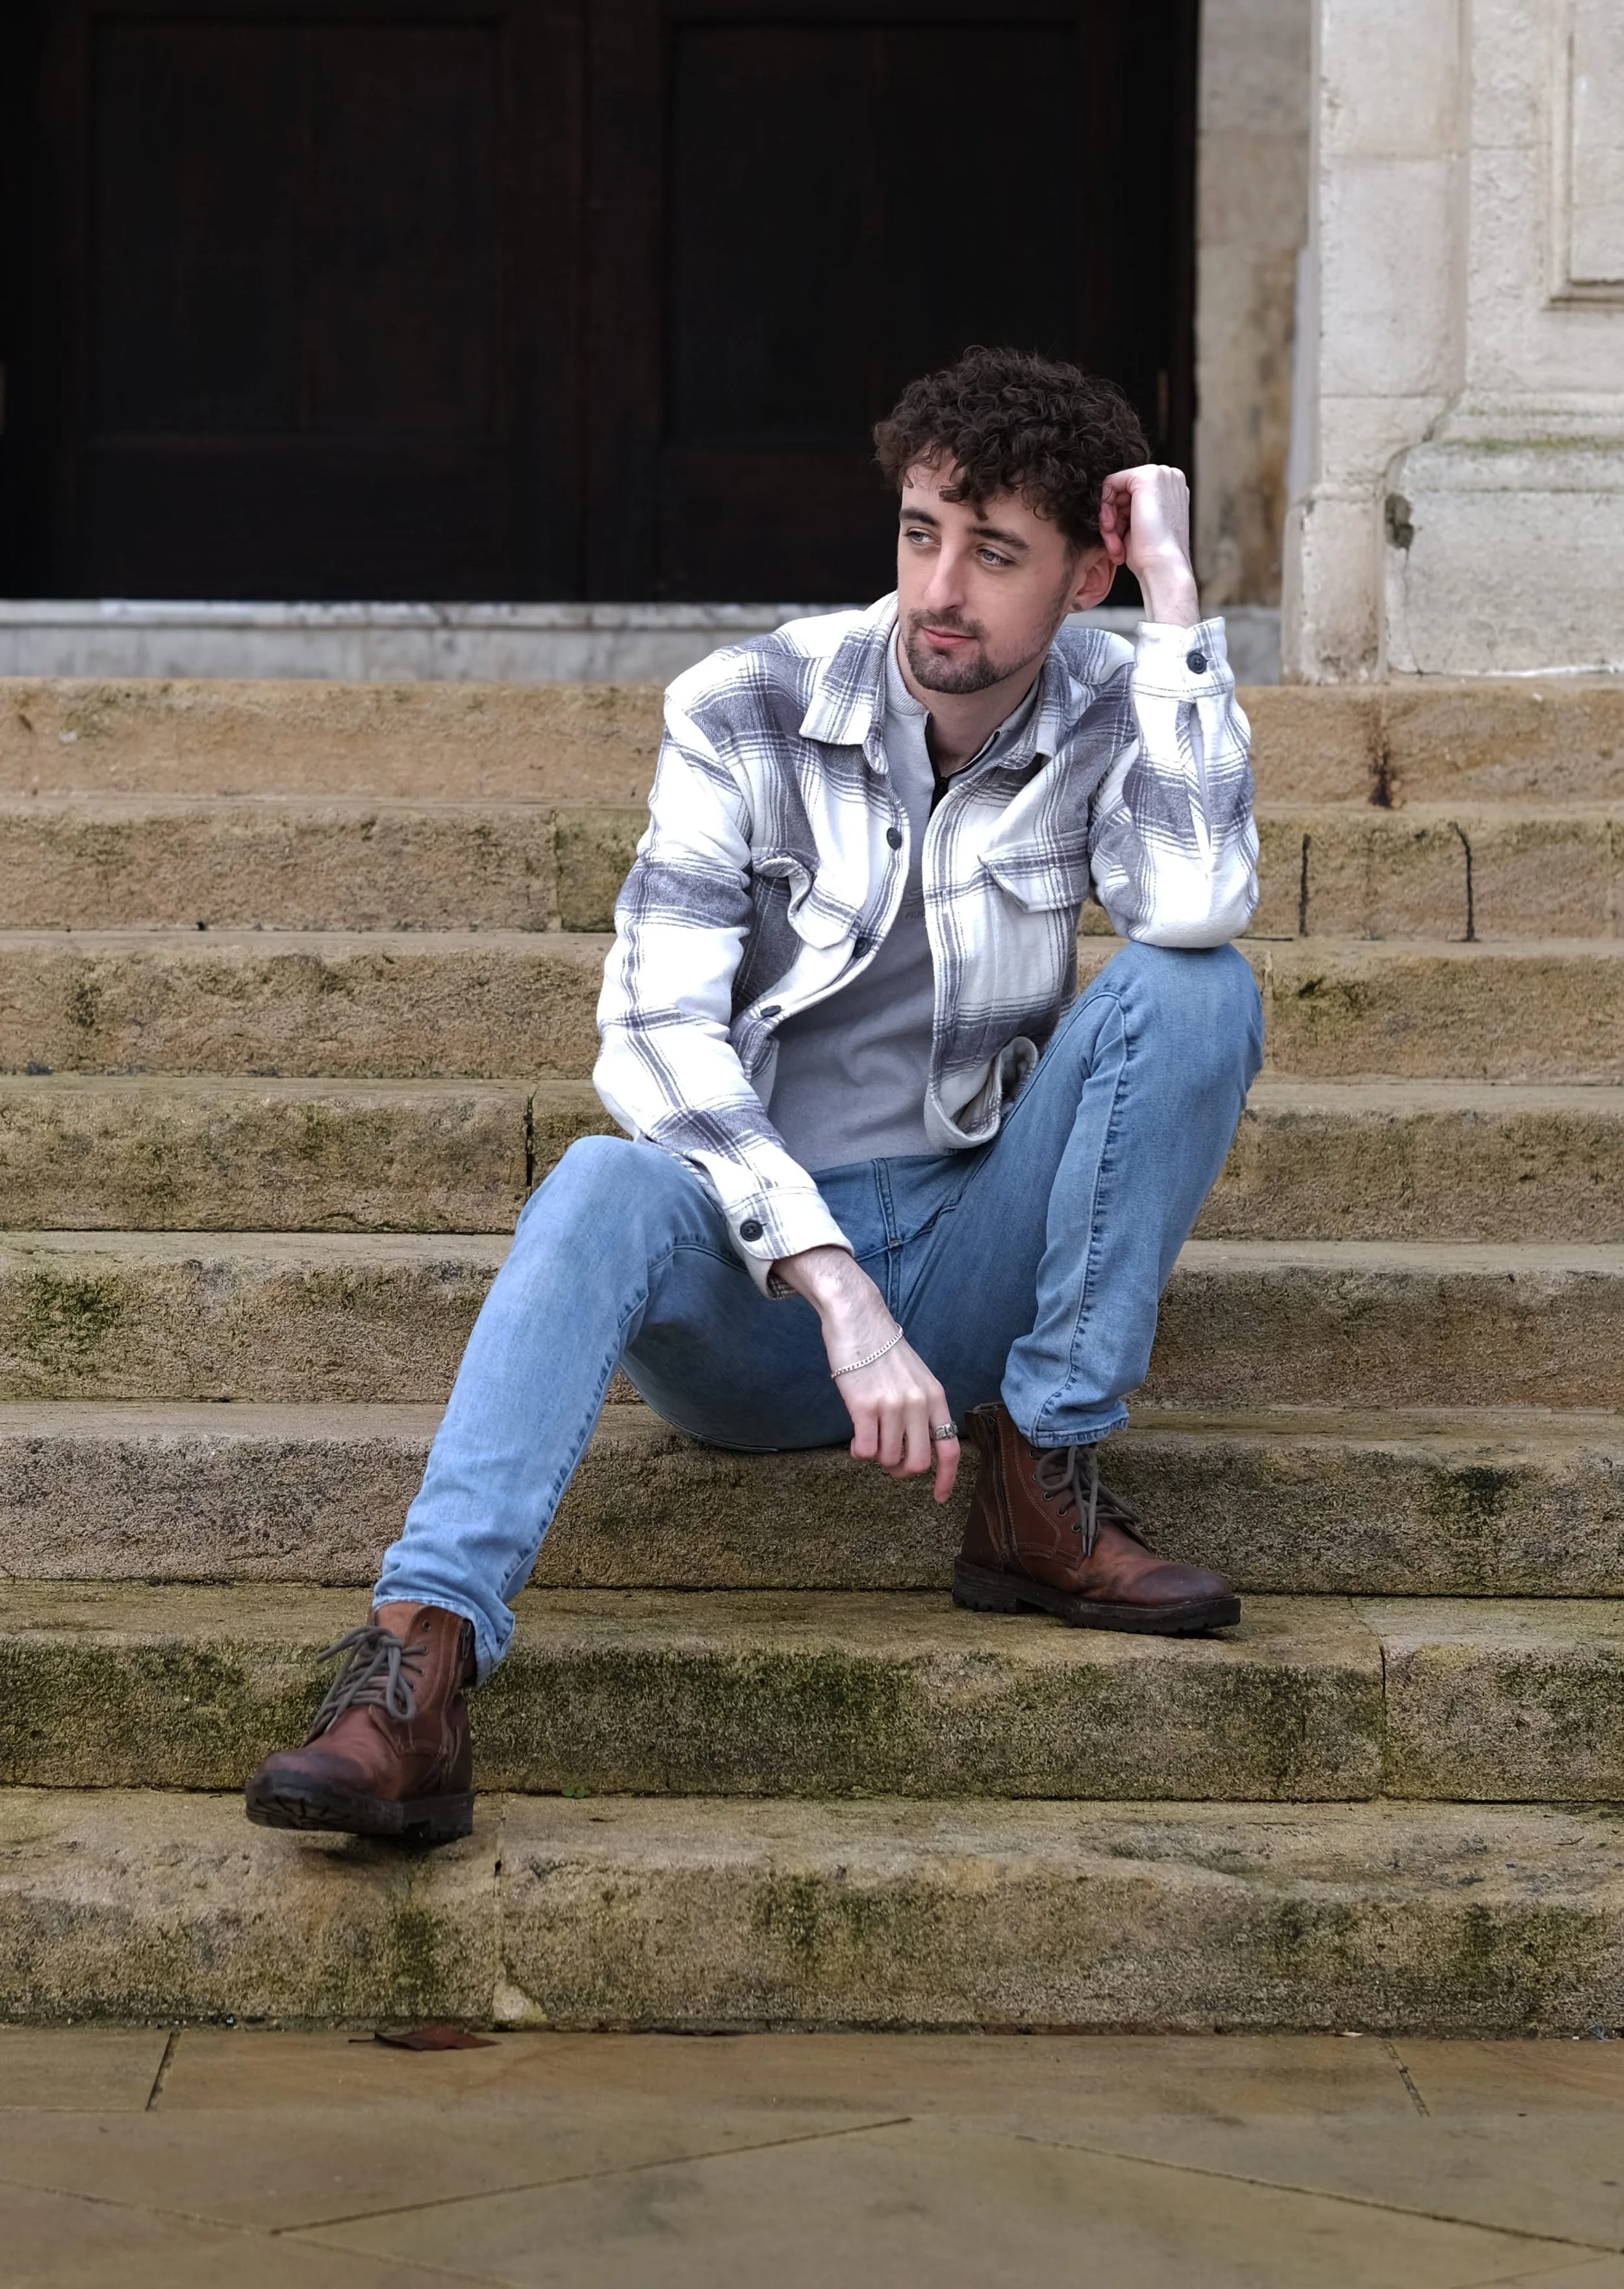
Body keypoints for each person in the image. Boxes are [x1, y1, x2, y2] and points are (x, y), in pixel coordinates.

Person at [245, 348, 1262, 1846]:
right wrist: (835, 1290)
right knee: (601, 1175)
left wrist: (1175, 609)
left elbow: (1192, 901)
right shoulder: (748, 703)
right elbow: (654, 1028)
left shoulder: (1121, 700)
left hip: (973, 1254)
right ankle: (416, 1671)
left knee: (1196, 986)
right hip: (758, 1288)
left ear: (1086, 574)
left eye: (995, 556)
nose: (940, 590)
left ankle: (1037, 1486)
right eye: (922, 533)